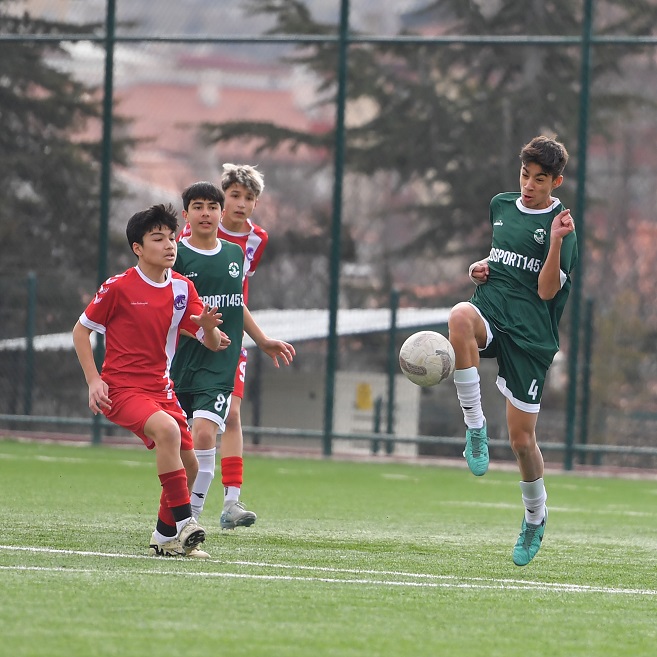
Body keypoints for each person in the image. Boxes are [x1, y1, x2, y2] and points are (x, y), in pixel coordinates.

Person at [447, 135, 577, 566]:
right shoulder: (501, 206)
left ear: (555, 182)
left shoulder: (563, 226)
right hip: (492, 312)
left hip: (531, 336)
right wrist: (478, 268)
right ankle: (474, 428)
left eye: (540, 179)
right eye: (525, 175)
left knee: (522, 442)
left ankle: (535, 517)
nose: (529, 185)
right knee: (459, 316)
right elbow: (498, 260)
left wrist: (556, 242)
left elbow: (544, 290)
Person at [72, 203, 228, 558]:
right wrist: (94, 381)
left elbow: (214, 343)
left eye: (172, 238)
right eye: (158, 239)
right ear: (138, 248)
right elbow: (81, 332)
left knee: (192, 466)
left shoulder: (183, 288)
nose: (170, 245)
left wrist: (207, 328)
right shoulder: (119, 287)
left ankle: (163, 538)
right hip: (122, 390)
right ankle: (186, 524)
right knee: (168, 433)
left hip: (162, 390)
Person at [173, 180, 295, 529]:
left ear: (220, 212)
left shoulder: (235, 253)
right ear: (187, 215)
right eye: (198, 207)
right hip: (181, 362)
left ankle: (193, 520)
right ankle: (180, 513)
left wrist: (263, 339)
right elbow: (168, 313)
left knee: (207, 433)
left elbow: (236, 303)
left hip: (221, 361)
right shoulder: (177, 255)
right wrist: (202, 329)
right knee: (178, 446)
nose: (206, 213)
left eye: (212, 207)